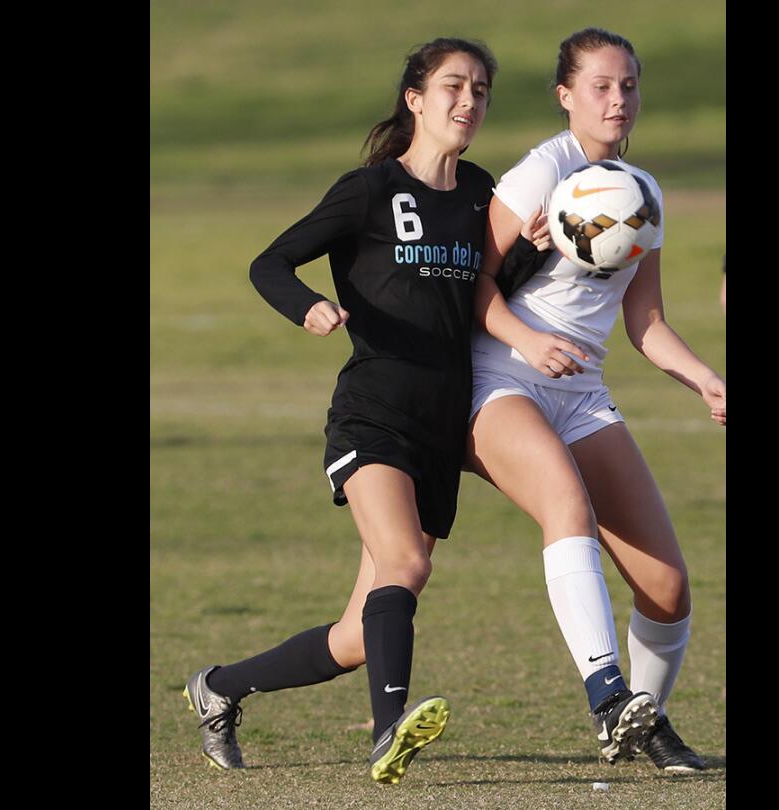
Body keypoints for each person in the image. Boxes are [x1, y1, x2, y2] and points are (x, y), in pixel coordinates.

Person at [184, 38, 498, 785]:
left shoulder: (485, 192)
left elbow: (493, 291)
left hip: (440, 425)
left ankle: (218, 687)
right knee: (405, 561)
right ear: (414, 100)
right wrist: (310, 307)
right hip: (373, 414)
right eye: (453, 85)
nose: (469, 101)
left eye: (481, 90)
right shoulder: (368, 191)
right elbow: (270, 262)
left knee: (360, 631)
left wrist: (545, 247)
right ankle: (388, 732)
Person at [467, 28, 725, 774]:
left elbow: (643, 320)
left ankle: (644, 725)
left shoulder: (644, 190)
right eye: (602, 86)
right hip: (502, 379)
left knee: (668, 589)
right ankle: (608, 695)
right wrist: (526, 338)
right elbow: (470, 284)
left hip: (581, 395)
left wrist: (704, 377)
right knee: (565, 506)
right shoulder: (538, 174)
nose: (619, 100)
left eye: (630, 86)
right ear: (566, 96)